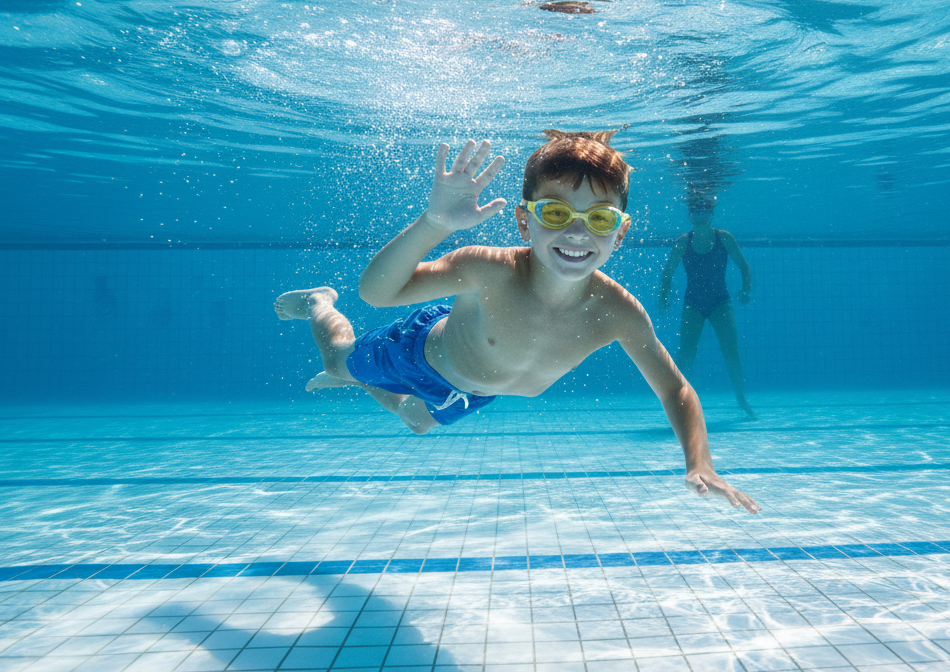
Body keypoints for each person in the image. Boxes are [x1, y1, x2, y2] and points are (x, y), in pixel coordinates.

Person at [275, 131, 759, 514]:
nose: (576, 231)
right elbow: (376, 293)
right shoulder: (488, 269)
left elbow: (676, 390)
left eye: (600, 219)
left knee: (417, 421)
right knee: (338, 362)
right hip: (420, 350)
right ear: (524, 221)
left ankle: (367, 384)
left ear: (621, 231)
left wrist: (700, 463)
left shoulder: (617, 311)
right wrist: (435, 224)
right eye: (556, 212)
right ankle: (318, 304)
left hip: (476, 391)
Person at [659, 202, 756, 419]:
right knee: (686, 355)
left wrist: (746, 290)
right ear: (690, 216)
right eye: (695, 210)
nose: (700, 214)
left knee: (731, 352)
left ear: (712, 214)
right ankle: (680, 402)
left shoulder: (725, 238)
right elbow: (668, 271)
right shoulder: (683, 242)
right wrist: (663, 295)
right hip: (692, 303)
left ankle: (741, 399)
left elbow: (744, 266)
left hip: (720, 301)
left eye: (704, 210)